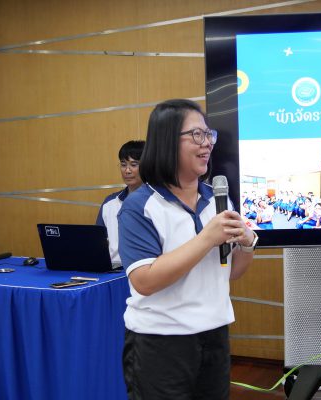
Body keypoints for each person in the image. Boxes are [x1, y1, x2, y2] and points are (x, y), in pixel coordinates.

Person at [118, 99, 257, 400]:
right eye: (196, 134)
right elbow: (145, 280)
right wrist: (206, 238)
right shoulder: (139, 206)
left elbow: (231, 272)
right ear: (167, 141)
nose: (207, 143)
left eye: (209, 134)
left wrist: (247, 246)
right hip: (160, 341)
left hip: (215, 334)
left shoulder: (218, 200)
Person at [96, 140, 145, 264]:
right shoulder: (109, 203)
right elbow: (97, 242)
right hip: (113, 270)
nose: (127, 170)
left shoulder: (157, 201)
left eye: (134, 164)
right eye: (123, 164)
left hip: (144, 269)